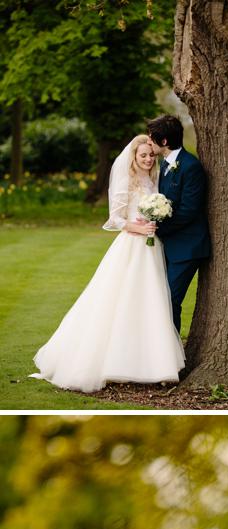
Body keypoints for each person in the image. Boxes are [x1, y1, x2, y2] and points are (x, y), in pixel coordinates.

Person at [33, 135, 184, 393]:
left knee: (151, 301)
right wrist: (139, 227)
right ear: (134, 157)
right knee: (120, 300)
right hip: (132, 247)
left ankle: (152, 363)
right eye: (143, 156)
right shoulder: (127, 180)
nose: (148, 159)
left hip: (152, 247)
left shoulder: (155, 179)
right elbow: (115, 219)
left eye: (151, 155)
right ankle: (116, 363)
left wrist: (155, 222)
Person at [147, 109, 212, 337]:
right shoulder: (164, 165)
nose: (149, 143)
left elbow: (188, 211)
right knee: (158, 299)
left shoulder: (190, 166)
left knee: (170, 300)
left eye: (151, 138)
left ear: (163, 141)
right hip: (168, 245)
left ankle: (173, 358)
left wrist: (158, 228)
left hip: (188, 247)